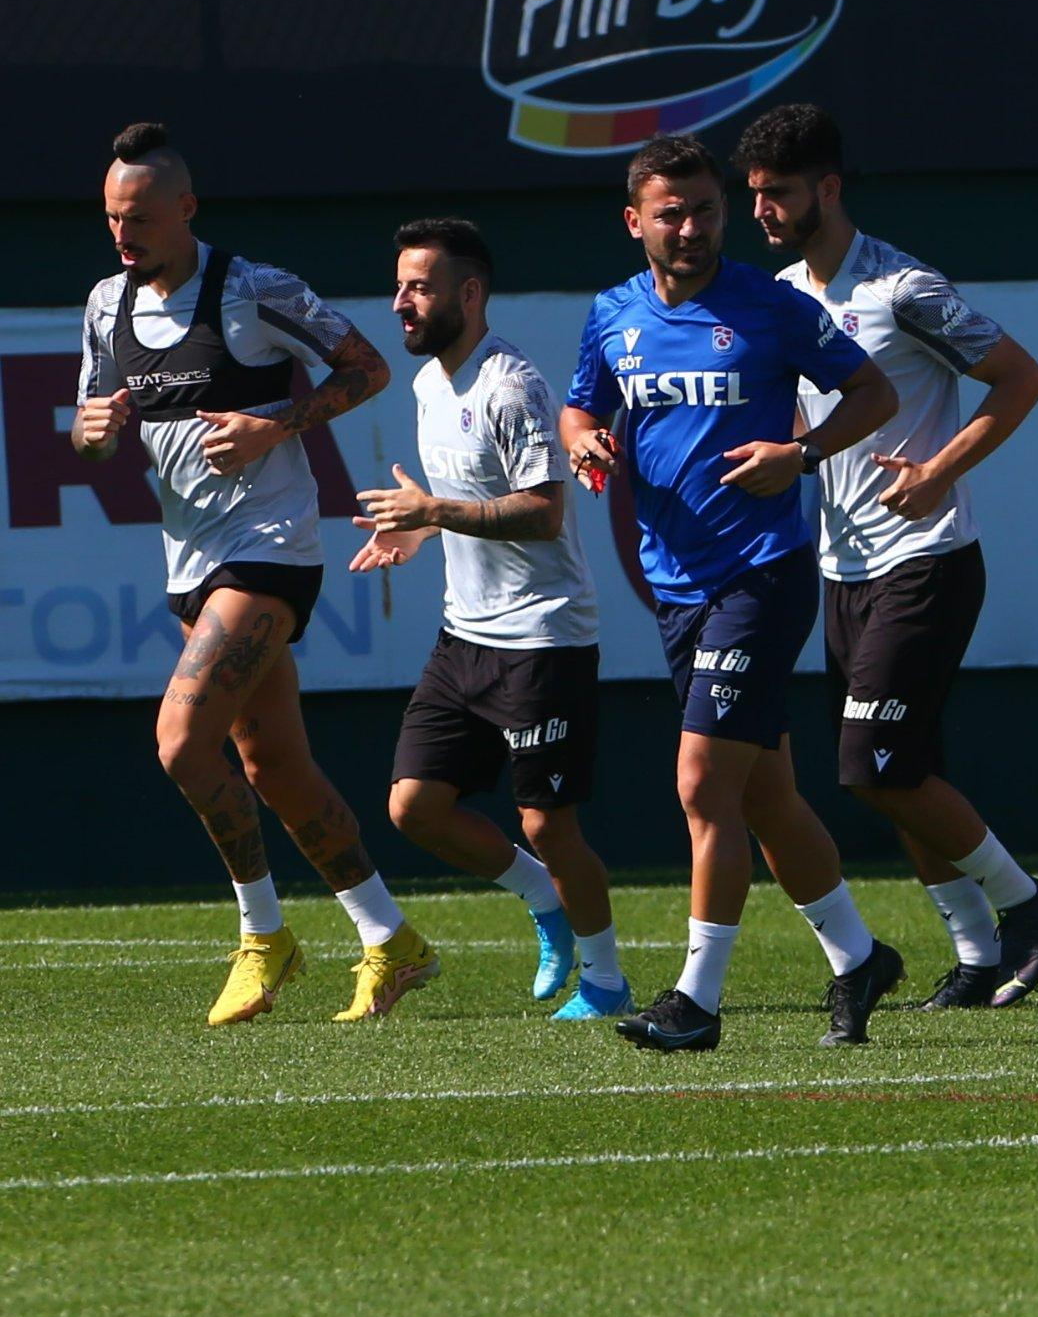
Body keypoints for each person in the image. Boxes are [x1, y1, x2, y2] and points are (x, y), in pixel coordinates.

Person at [72, 122, 428, 1024]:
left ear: (186, 208)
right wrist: (97, 429)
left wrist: (281, 424)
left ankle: (264, 936)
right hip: (188, 559)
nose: (125, 233)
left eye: (143, 216)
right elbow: (85, 428)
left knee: (182, 742)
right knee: (274, 765)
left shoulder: (251, 289)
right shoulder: (105, 304)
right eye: (115, 216)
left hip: (270, 549)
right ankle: (391, 939)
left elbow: (368, 365)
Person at [562, 134, 908, 1052]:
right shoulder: (612, 314)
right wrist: (582, 439)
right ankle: (858, 956)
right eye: (669, 212)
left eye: (705, 208)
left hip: (761, 572)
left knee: (701, 781)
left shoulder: (773, 305)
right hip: (677, 587)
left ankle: (697, 1000)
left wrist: (801, 453)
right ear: (634, 220)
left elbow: (872, 395)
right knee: (765, 798)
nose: (691, 227)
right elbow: (580, 403)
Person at [734, 103, 1038, 1013]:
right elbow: (807, 418)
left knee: (871, 764)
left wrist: (936, 471)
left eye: (781, 193)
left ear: (830, 189)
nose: (762, 209)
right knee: (900, 772)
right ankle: (972, 955)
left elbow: (1021, 376)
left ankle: (1026, 903)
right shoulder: (780, 293)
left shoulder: (904, 288)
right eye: (755, 194)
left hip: (926, 558)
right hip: (842, 569)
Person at [348, 218, 629, 1020]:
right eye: (399, 284)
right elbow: (472, 498)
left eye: (420, 286)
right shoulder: (429, 382)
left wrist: (436, 507)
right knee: (414, 806)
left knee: (547, 819)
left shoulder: (513, 385)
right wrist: (421, 527)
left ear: (468, 293)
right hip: (462, 637)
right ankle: (544, 901)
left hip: (543, 640)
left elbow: (542, 511)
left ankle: (607, 980)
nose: (402, 301)